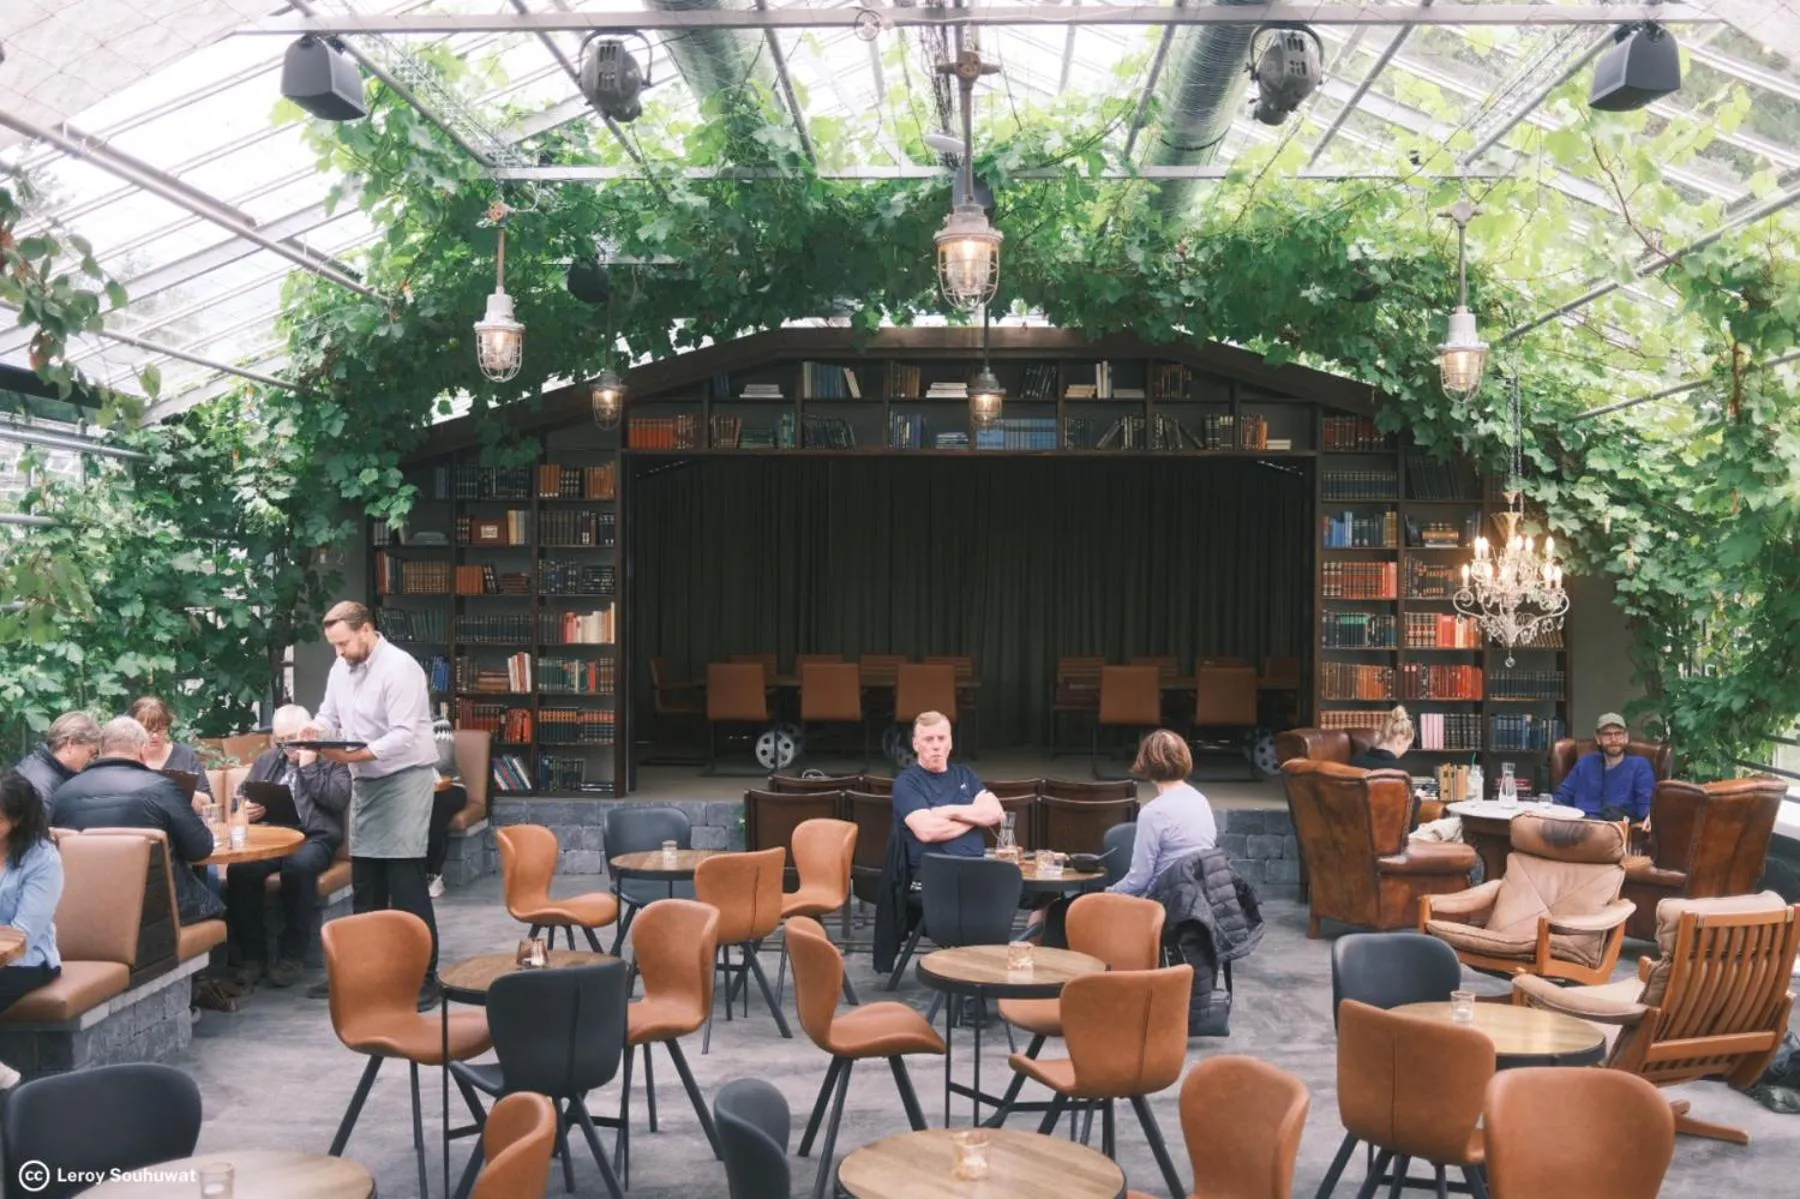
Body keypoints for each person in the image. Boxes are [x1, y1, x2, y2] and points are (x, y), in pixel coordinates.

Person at [304, 601, 442, 1009]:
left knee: (406, 885)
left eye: (343, 643)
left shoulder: (401, 669)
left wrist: (353, 757)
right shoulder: (340, 668)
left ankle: (425, 977)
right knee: (366, 885)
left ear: (366, 630)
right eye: (333, 645)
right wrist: (315, 730)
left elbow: (402, 735)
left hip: (403, 780)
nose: (338, 652)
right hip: (366, 782)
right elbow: (329, 715)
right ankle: (362, 975)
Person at [224, 704, 350, 989]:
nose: (288, 747)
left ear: (308, 734)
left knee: (298, 868)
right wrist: (248, 809)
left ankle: (292, 955)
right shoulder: (269, 759)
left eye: (294, 739)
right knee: (241, 871)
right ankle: (252, 957)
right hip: (273, 837)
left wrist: (309, 766)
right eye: (282, 741)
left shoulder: (332, 759)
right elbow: (243, 797)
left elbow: (337, 800)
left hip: (314, 838)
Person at [50, 716, 222, 926]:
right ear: (142, 750)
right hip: (155, 912)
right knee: (218, 908)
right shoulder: (161, 789)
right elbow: (200, 848)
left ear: (102, 749)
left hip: (84, 910)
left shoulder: (63, 793)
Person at [0, 771, 63, 1089]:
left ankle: (9, 1081)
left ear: (18, 817)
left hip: (26, 960)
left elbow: (23, 934)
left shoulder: (43, 859)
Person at [1109, 730, 1218, 897]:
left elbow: (1139, 880)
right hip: (1201, 897)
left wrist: (1106, 893)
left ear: (1146, 763)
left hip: (1164, 902)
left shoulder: (1153, 813)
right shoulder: (1200, 800)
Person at [891, 711, 1003, 872]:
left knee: (1020, 888)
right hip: (934, 875)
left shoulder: (965, 774)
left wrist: (947, 811)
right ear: (915, 744)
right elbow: (927, 831)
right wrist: (975, 818)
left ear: (950, 743)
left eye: (942, 738)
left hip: (976, 869)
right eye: (929, 739)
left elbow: (995, 812)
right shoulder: (907, 782)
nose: (936, 745)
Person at [1555, 712, 1655, 822]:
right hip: (1579, 825)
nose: (1613, 739)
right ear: (1598, 738)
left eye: (1618, 734)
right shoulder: (1585, 763)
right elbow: (1561, 797)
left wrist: (1649, 816)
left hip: (1614, 828)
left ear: (1626, 737)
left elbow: (1646, 802)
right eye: (1607, 734)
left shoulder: (1640, 765)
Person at [13, 712, 101, 813]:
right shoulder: (40, 786)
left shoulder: (41, 768)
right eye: (91, 752)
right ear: (70, 743)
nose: (91, 759)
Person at [128, 696, 214, 799]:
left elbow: (208, 803)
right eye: (148, 729)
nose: (155, 736)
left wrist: (181, 792)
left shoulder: (185, 756)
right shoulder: (127, 757)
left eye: (160, 729)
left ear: (167, 727)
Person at [426, 715, 468, 900]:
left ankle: (433, 874)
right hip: (413, 789)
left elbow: (443, 761)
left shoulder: (439, 724)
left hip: (450, 787)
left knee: (435, 809)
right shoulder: (395, 725)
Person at [1349, 705, 1414, 770]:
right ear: (1400, 739)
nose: (1405, 751)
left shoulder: (1355, 761)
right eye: (1407, 746)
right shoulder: (1397, 770)